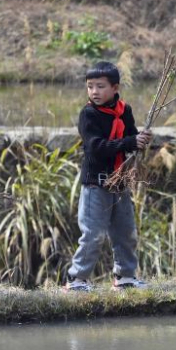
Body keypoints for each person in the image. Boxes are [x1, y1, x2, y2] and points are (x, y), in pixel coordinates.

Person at [65, 61, 153, 291]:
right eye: (90, 86)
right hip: (96, 182)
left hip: (120, 182)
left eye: (100, 86)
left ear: (115, 88)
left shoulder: (125, 111)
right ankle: (77, 279)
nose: (94, 91)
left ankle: (125, 277)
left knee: (125, 232)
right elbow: (96, 146)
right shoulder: (88, 114)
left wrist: (140, 141)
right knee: (93, 234)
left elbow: (131, 138)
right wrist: (129, 142)